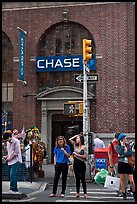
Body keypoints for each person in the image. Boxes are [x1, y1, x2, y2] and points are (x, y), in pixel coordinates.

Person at [116, 133, 135, 200]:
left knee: (131, 180)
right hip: (121, 163)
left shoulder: (128, 145)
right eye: (125, 138)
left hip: (128, 164)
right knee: (122, 179)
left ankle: (134, 192)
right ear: (121, 139)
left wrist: (123, 154)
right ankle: (123, 193)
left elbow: (130, 153)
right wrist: (122, 146)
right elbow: (120, 152)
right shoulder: (118, 146)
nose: (126, 139)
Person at [69, 134, 88, 198]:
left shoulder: (84, 147)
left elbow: (85, 156)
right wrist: (76, 135)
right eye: (76, 139)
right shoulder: (75, 146)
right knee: (77, 179)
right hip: (76, 164)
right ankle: (77, 192)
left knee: (83, 178)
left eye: (78, 138)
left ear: (81, 140)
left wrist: (76, 154)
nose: (76, 139)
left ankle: (85, 193)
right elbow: (70, 139)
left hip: (82, 163)